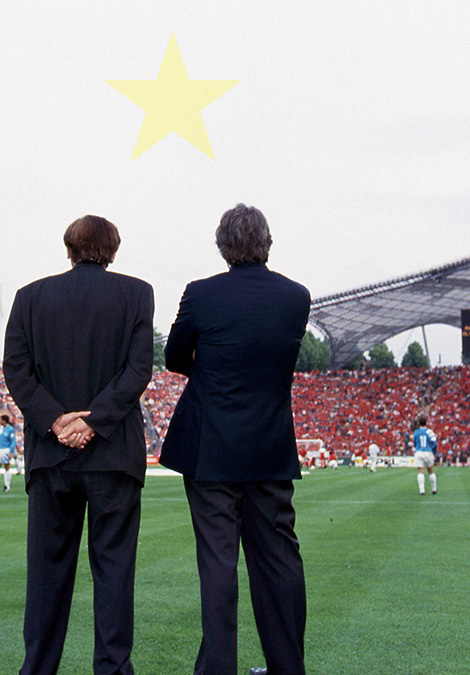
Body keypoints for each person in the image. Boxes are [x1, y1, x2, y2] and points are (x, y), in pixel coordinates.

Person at [160, 203, 310, 675]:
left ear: (223, 245)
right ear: (267, 242)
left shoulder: (201, 294)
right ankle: (288, 668)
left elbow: (173, 356)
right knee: (280, 560)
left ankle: (218, 669)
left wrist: (211, 370)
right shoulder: (296, 297)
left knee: (218, 564)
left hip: (212, 447)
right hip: (269, 445)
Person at [3, 214, 154, 675]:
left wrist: (55, 421)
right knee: (113, 573)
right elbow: (138, 369)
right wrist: (96, 422)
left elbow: (16, 369)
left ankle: (38, 668)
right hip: (113, 456)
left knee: (47, 576)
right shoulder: (136, 293)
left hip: (51, 457)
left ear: (68, 247)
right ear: (113, 250)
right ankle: (111, 669)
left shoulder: (30, 298)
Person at [0, 414, 19, 492]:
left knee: (6, 467)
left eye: (0, 420)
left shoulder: (10, 429)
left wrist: (10, 452)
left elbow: (13, 441)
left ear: (4, 420)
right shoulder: (1, 429)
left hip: (6, 450)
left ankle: (7, 485)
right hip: (0, 450)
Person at [412, 415, 438, 494]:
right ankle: (434, 489)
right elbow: (435, 444)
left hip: (419, 452)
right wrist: (434, 452)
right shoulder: (429, 431)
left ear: (419, 423)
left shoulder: (416, 432)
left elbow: (414, 443)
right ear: (426, 422)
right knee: (431, 471)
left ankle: (422, 490)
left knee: (420, 470)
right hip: (428, 452)